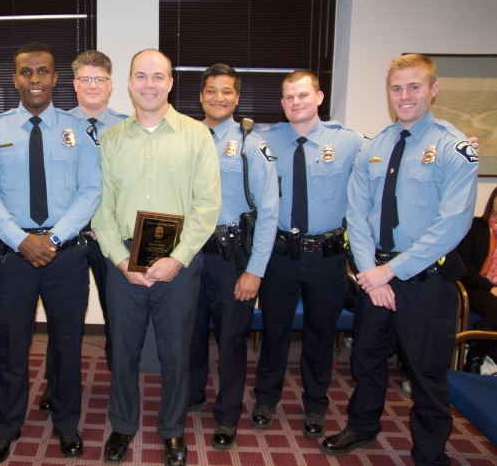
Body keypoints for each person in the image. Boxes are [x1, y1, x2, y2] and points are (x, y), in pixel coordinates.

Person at [322, 53, 479, 464]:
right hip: (375, 274)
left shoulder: (453, 147)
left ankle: (429, 453)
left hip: (425, 280)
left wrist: (390, 272)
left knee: (425, 372)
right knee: (367, 358)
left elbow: (453, 224)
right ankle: (362, 426)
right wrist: (371, 273)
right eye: (397, 88)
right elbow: (355, 214)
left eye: (414, 86)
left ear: (433, 89)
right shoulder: (375, 146)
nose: (405, 96)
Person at [0, 42, 102, 463]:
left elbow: (91, 190)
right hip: (14, 256)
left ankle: (67, 422)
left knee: (67, 344)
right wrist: (20, 240)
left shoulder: (77, 129)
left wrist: (54, 239)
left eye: (43, 72)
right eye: (26, 73)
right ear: (15, 79)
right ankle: (8, 424)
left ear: (54, 78)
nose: (35, 80)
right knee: (12, 345)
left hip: (65, 254)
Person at [92, 49, 221, 466]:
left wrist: (178, 258)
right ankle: (123, 425)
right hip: (124, 261)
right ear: (129, 83)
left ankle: (172, 430)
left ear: (170, 83)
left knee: (176, 352)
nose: (150, 84)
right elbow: (101, 208)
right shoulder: (110, 141)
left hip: (179, 264)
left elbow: (208, 205)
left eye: (158, 76)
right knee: (123, 349)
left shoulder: (197, 135)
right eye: (141, 76)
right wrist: (119, 258)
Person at [252, 70, 366, 439]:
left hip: (327, 257)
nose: (295, 103)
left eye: (303, 95)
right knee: (274, 332)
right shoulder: (262, 140)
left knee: (321, 334)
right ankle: (266, 400)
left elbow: (390, 154)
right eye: (288, 97)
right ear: (281, 102)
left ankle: (316, 404)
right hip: (280, 255)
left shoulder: (348, 141)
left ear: (318, 97)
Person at [187, 64, 279, 450]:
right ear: (201, 96)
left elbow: (269, 211)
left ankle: (227, 414)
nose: (218, 98)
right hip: (189, 254)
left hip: (231, 259)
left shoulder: (250, 145)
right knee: (188, 332)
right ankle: (191, 395)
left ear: (237, 98)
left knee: (230, 339)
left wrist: (255, 271)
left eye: (226, 92)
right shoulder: (185, 138)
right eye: (211, 91)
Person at [35, 50, 128, 415]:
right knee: (63, 320)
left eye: (100, 79)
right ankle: (56, 386)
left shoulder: (126, 127)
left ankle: (120, 386)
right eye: (85, 79)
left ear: (110, 85)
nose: (93, 86)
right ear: (74, 85)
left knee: (118, 317)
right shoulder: (52, 124)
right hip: (67, 239)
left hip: (112, 238)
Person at [457, 186, 497, 373]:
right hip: (474, 285)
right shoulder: (476, 226)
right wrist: (490, 287)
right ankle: (473, 362)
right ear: (493, 201)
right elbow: (464, 266)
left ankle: (492, 361)